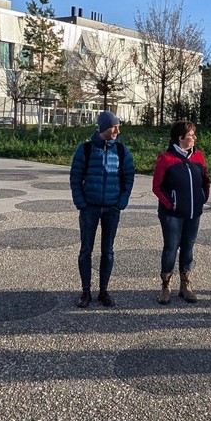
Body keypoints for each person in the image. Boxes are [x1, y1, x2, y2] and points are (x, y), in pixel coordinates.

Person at [69, 111, 136, 307]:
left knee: (108, 251)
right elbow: (75, 178)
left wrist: (120, 203)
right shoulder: (86, 150)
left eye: (117, 126)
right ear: (103, 127)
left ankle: (104, 291)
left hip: (111, 209)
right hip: (89, 208)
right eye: (114, 126)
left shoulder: (122, 151)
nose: (117, 130)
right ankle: (85, 292)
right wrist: (81, 203)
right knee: (85, 251)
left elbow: (128, 178)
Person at [152, 120, 210, 304]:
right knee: (171, 248)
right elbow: (157, 187)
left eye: (193, 135)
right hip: (172, 214)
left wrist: (202, 197)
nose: (194, 138)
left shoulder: (198, 156)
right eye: (191, 135)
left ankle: (186, 285)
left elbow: (206, 179)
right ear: (180, 138)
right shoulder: (165, 159)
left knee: (188, 248)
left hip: (194, 213)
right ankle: (166, 286)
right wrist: (172, 204)